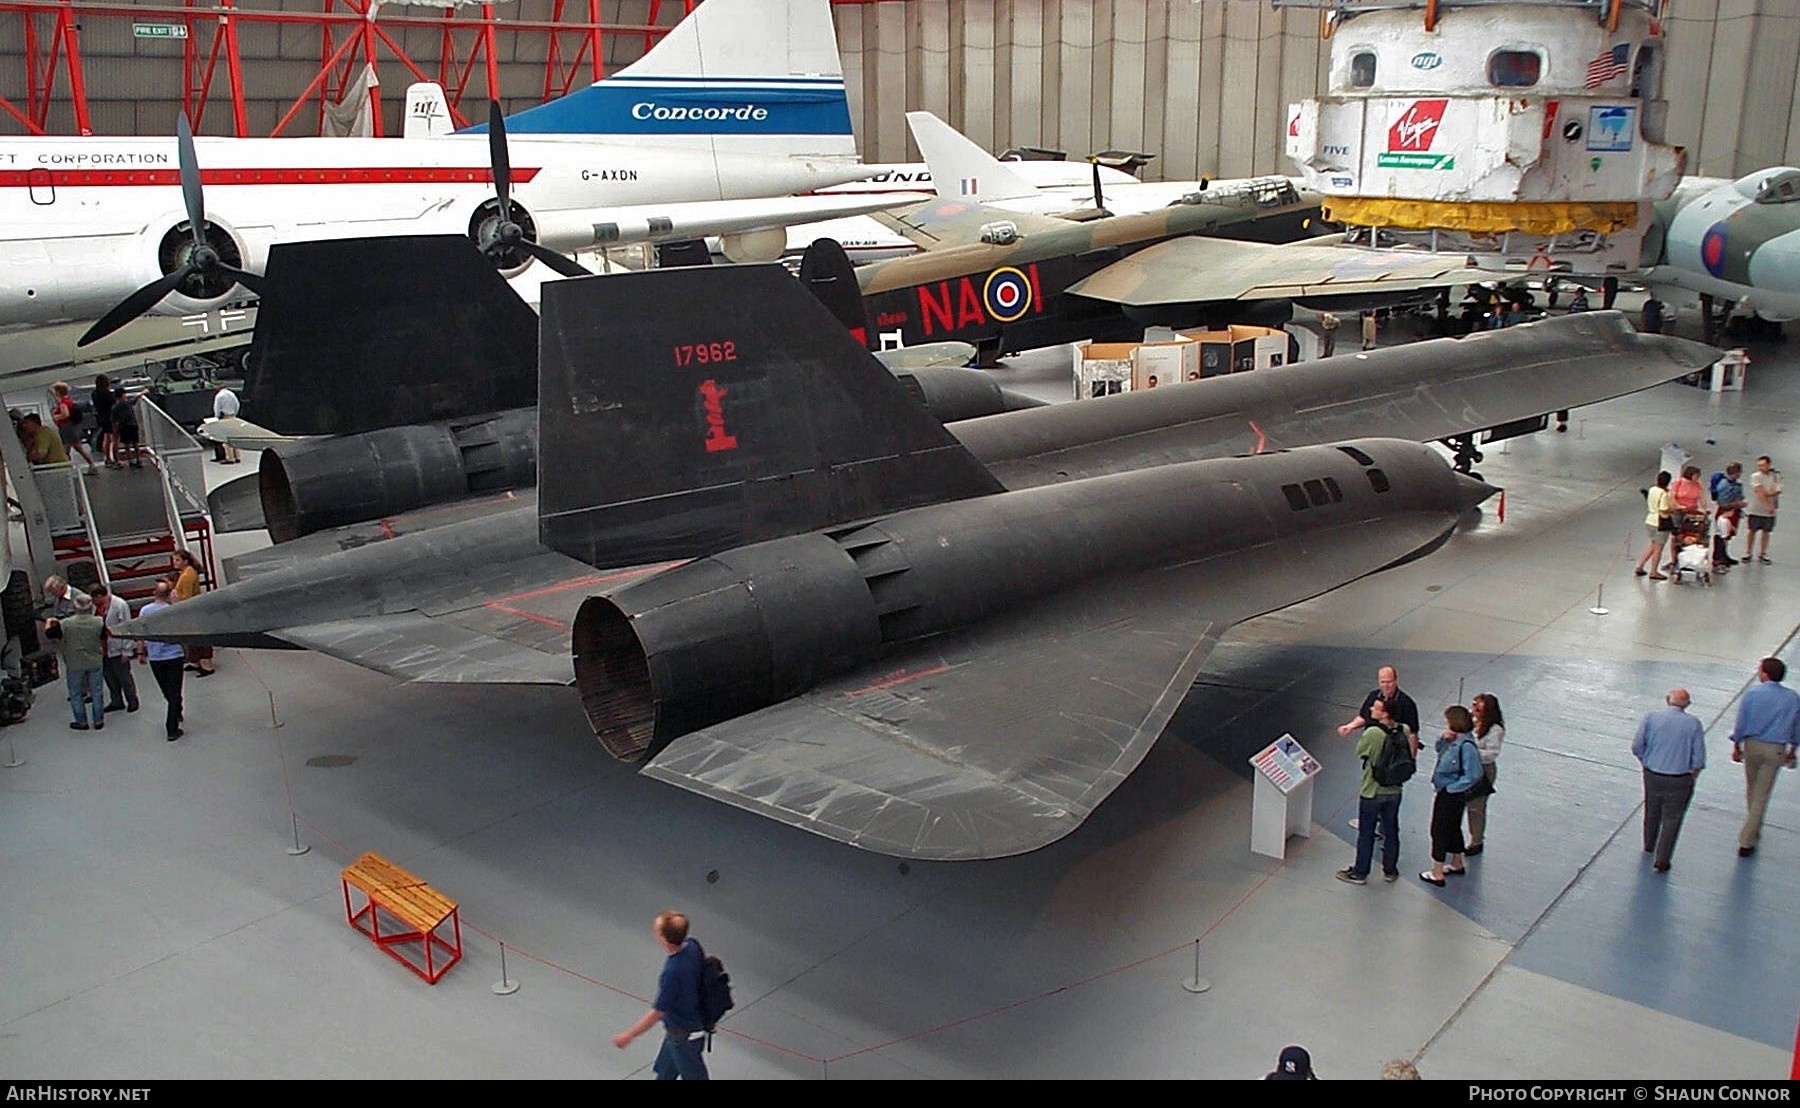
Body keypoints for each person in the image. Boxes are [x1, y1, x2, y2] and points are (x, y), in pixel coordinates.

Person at [612, 910, 709, 1080]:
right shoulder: (693, 946)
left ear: (664, 939)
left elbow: (657, 1012)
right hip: (678, 1029)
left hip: (684, 1033)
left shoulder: (672, 973)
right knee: (664, 1073)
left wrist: (629, 1035)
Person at [1729, 657, 1800, 858]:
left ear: (1765, 674)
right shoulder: (1792, 698)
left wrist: (1737, 744)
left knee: (1752, 788)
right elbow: (1796, 725)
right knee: (1762, 793)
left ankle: (1748, 837)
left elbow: (1742, 722)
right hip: (1776, 748)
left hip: (1753, 745)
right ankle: (1752, 830)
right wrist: (1793, 748)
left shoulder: (1752, 694)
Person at [1632, 687, 1706, 872]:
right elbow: (1698, 755)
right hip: (1680, 778)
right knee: (1672, 818)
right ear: (1687, 704)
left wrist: (1646, 761)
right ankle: (1663, 858)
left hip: (1653, 773)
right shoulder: (1694, 724)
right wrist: (1694, 772)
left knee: (1652, 809)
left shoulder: (1652, 718)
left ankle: (1649, 844)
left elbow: (1637, 745)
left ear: (1667, 700)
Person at [1336, 697, 1408, 885]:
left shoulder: (1373, 733)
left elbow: (1361, 752)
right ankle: (1390, 870)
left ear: (1384, 713)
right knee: (1391, 830)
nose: (1371, 709)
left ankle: (1360, 872)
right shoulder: (1403, 730)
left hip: (1372, 791)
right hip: (1394, 790)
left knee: (1366, 833)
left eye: (1375, 708)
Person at [1422, 705, 1483, 886]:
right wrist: (1443, 739)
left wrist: (1452, 788)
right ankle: (1457, 862)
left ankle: (1437, 871)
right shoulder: (1454, 741)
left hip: (1451, 794)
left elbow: (1473, 774)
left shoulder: (1466, 746)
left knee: (1439, 829)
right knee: (1453, 827)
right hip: (1448, 791)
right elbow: (1440, 751)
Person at [49, 590, 107, 731]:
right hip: (95, 660)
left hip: (74, 662)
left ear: (75, 607)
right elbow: (104, 636)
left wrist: (49, 622)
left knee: (75, 692)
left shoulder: (65, 624)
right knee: (97, 691)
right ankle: (98, 721)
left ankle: (81, 721)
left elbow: (50, 634)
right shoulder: (98, 621)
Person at [139, 580, 185, 741]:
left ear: (154, 593)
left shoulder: (145, 611)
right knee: (175, 689)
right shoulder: (172, 610)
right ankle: (174, 719)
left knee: (166, 689)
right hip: (174, 655)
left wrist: (141, 652)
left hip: (156, 657)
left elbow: (141, 633)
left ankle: (173, 717)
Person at [1462, 692, 1505, 856]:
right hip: (1467, 766)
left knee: (1476, 807)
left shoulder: (1495, 730)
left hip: (1483, 770)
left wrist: (1470, 751)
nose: (1473, 711)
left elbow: (1492, 754)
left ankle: (1476, 840)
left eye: (1478, 709)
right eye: (1473, 706)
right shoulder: (1471, 722)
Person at [1337, 665, 1420, 749]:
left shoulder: (1407, 703)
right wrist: (1350, 726)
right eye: (1382, 682)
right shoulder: (1373, 696)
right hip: (1373, 749)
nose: (1386, 686)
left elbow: (1412, 734)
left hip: (1394, 751)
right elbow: (1364, 716)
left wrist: (1411, 759)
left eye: (1389, 682)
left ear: (1395, 680)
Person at [91, 583, 139, 714]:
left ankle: (132, 700)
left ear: (100, 596)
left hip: (118, 647)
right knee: (109, 677)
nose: (94, 603)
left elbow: (127, 628)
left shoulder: (120, 605)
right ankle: (116, 700)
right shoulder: (95, 608)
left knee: (124, 676)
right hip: (103, 648)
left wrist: (126, 651)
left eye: (95, 599)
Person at [172, 550, 215, 677]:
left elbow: (187, 596)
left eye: (177, 560)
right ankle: (196, 661)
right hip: (190, 610)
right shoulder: (186, 572)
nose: (174, 562)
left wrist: (176, 598)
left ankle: (206, 664)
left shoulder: (187, 575)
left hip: (191, 611)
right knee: (192, 638)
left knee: (198, 637)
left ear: (185, 561)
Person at [49, 381, 98, 475]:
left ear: (58, 392)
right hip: (71, 427)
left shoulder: (63, 403)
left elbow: (65, 414)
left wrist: (56, 416)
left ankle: (69, 469)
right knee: (77, 448)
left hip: (66, 428)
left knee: (67, 449)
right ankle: (90, 465)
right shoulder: (68, 400)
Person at [1635, 470, 1674, 580]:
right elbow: (1663, 510)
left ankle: (1640, 566)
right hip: (1660, 523)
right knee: (1658, 548)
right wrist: (1673, 511)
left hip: (1650, 520)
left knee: (1653, 545)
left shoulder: (1652, 489)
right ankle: (1654, 571)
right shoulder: (1664, 494)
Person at [1710, 462, 1746, 569]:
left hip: (1733, 512)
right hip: (1725, 513)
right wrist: (1737, 504)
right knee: (1722, 535)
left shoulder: (1736, 484)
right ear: (1737, 473)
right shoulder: (1724, 485)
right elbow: (1722, 503)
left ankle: (1724, 555)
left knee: (1727, 536)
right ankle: (1718, 558)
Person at [1746, 455, 1781, 565]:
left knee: (1766, 532)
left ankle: (1763, 553)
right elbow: (1760, 493)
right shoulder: (1755, 476)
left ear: (1769, 465)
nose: (1761, 468)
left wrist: (1767, 493)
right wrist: (1768, 504)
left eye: (1763, 465)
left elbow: (1777, 490)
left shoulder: (1775, 476)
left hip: (1770, 513)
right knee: (1752, 531)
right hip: (1755, 509)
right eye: (1759, 465)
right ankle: (1748, 552)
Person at [91, 374, 120, 469]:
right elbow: (114, 402)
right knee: (114, 439)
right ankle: (116, 459)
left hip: (102, 417)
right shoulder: (107, 394)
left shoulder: (95, 393)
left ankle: (107, 458)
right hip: (110, 417)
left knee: (106, 438)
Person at [111, 386, 142, 469]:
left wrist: (115, 430)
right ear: (123, 395)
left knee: (127, 445)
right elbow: (135, 398)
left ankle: (131, 461)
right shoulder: (128, 403)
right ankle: (138, 460)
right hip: (132, 425)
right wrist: (142, 393)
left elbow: (114, 420)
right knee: (135, 444)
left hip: (124, 427)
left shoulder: (115, 407)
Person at [211, 385, 242, 464]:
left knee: (226, 438)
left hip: (225, 417)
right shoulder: (232, 394)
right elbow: (237, 405)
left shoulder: (219, 396)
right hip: (233, 416)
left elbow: (216, 408)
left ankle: (230, 458)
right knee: (234, 436)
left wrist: (217, 418)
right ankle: (237, 456)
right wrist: (235, 414)